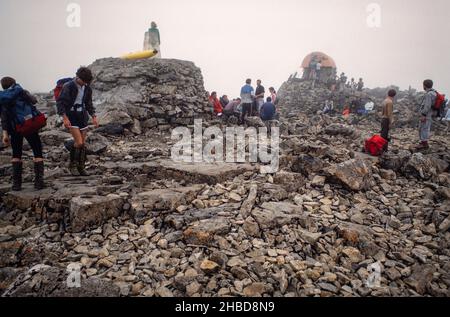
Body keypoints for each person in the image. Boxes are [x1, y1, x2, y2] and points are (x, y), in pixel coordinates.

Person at [0, 77, 45, 191]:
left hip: (14, 128)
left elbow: (4, 118)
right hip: (28, 124)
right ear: (14, 84)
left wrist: (5, 134)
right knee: (37, 151)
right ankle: (39, 183)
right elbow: (34, 101)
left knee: (16, 154)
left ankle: (16, 184)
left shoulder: (3, 99)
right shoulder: (21, 92)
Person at [57, 67, 99, 176]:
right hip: (71, 115)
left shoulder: (87, 88)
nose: (84, 83)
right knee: (79, 142)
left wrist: (93, 116)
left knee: (82, 143)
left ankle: (81, 167)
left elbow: (89, 104)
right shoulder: (69, 86)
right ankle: (73, 166)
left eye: (86, 82)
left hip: (82, 115)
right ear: (78, 77)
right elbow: (60, 103)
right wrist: (65, 118)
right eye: (83, 81)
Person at [417, 79, 437, 150]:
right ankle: (423, 142)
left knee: (424, 128)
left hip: (426, 114)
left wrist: (423, 115)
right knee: (425, 128)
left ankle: (424, 144)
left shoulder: (429, 94)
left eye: (423, 85)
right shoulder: (434, 93)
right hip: (430, 114)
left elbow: (427, 106)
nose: (423, 86)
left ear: (425, 85)